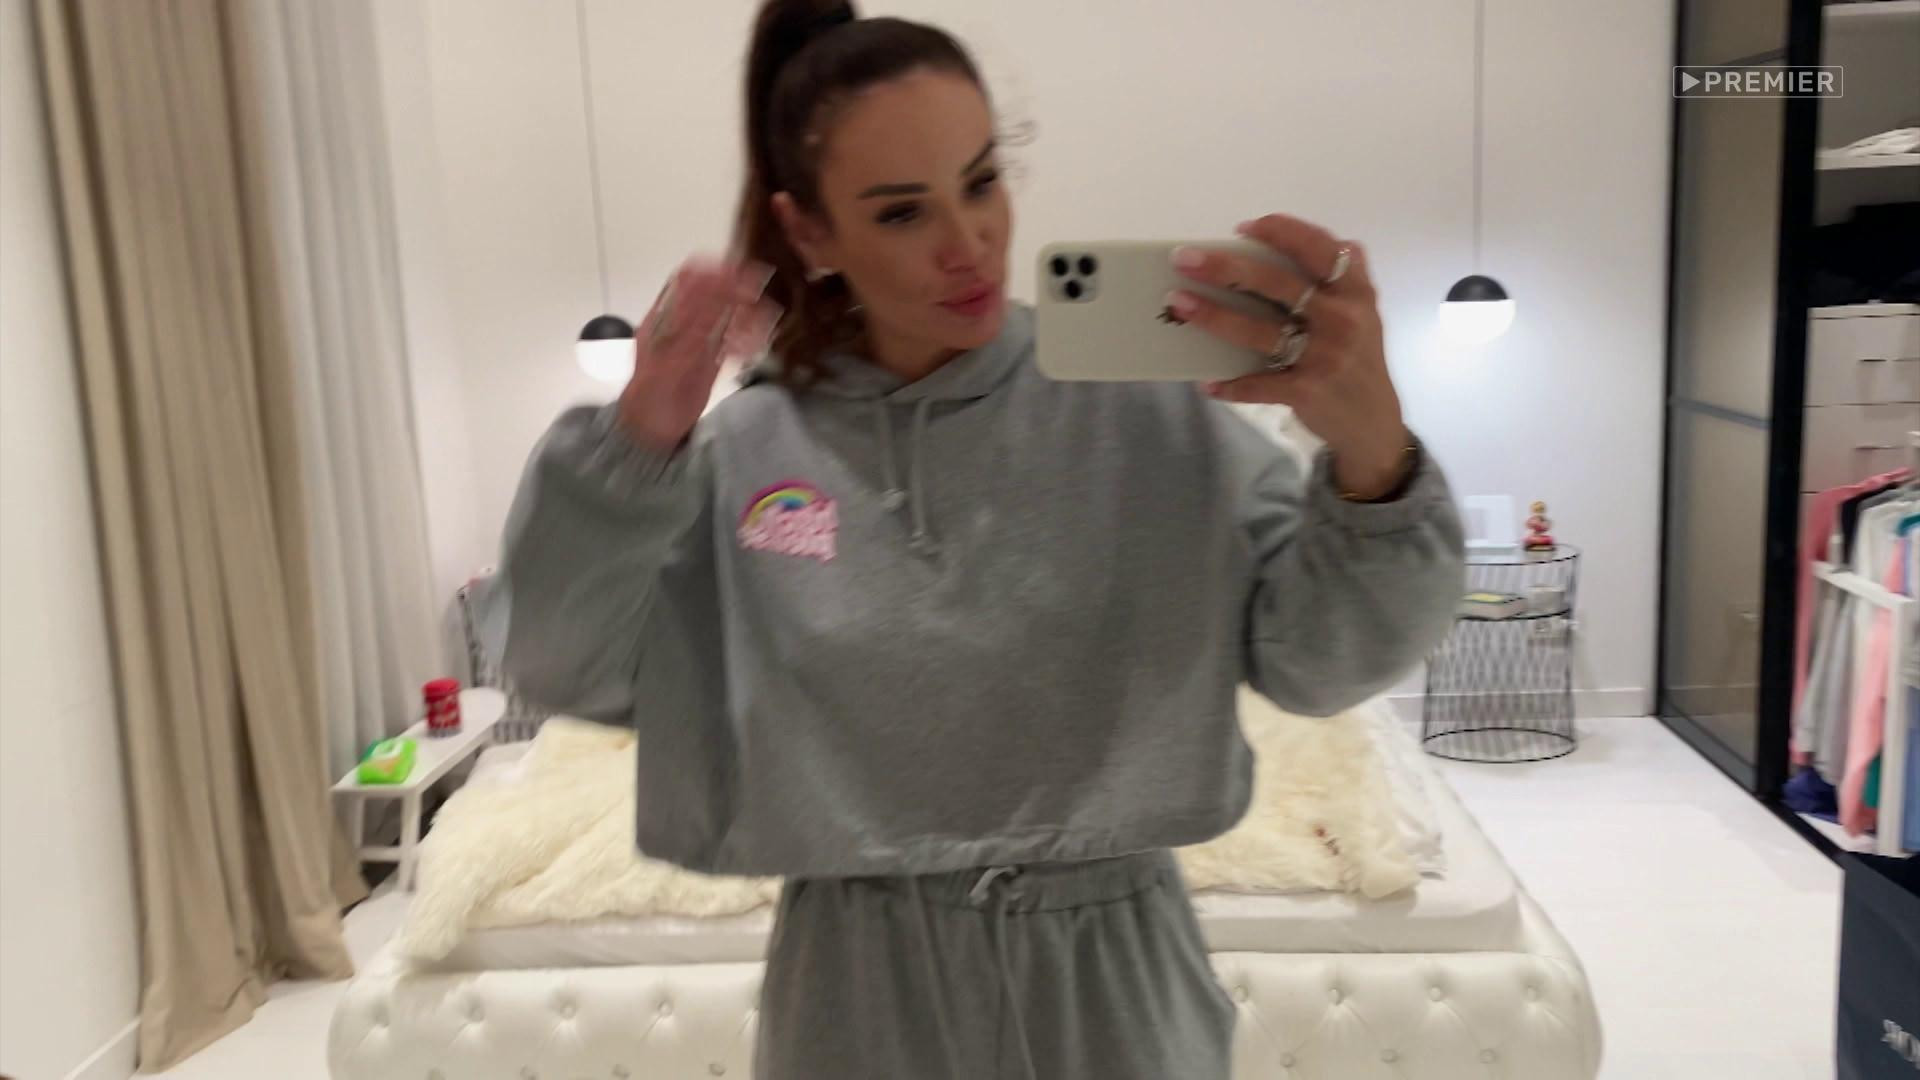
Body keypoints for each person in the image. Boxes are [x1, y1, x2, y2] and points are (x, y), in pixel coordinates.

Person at [496, 1, 1465, 1076]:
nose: (969, 246)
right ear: (811, 234)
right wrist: (637, 440)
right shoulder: (750, 449)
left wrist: (1372, 452)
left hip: (1115, 977)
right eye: (902, 213)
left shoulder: (1146, 414)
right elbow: (565, 664)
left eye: (981, 181)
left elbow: (1325, 661)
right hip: (857, 986)